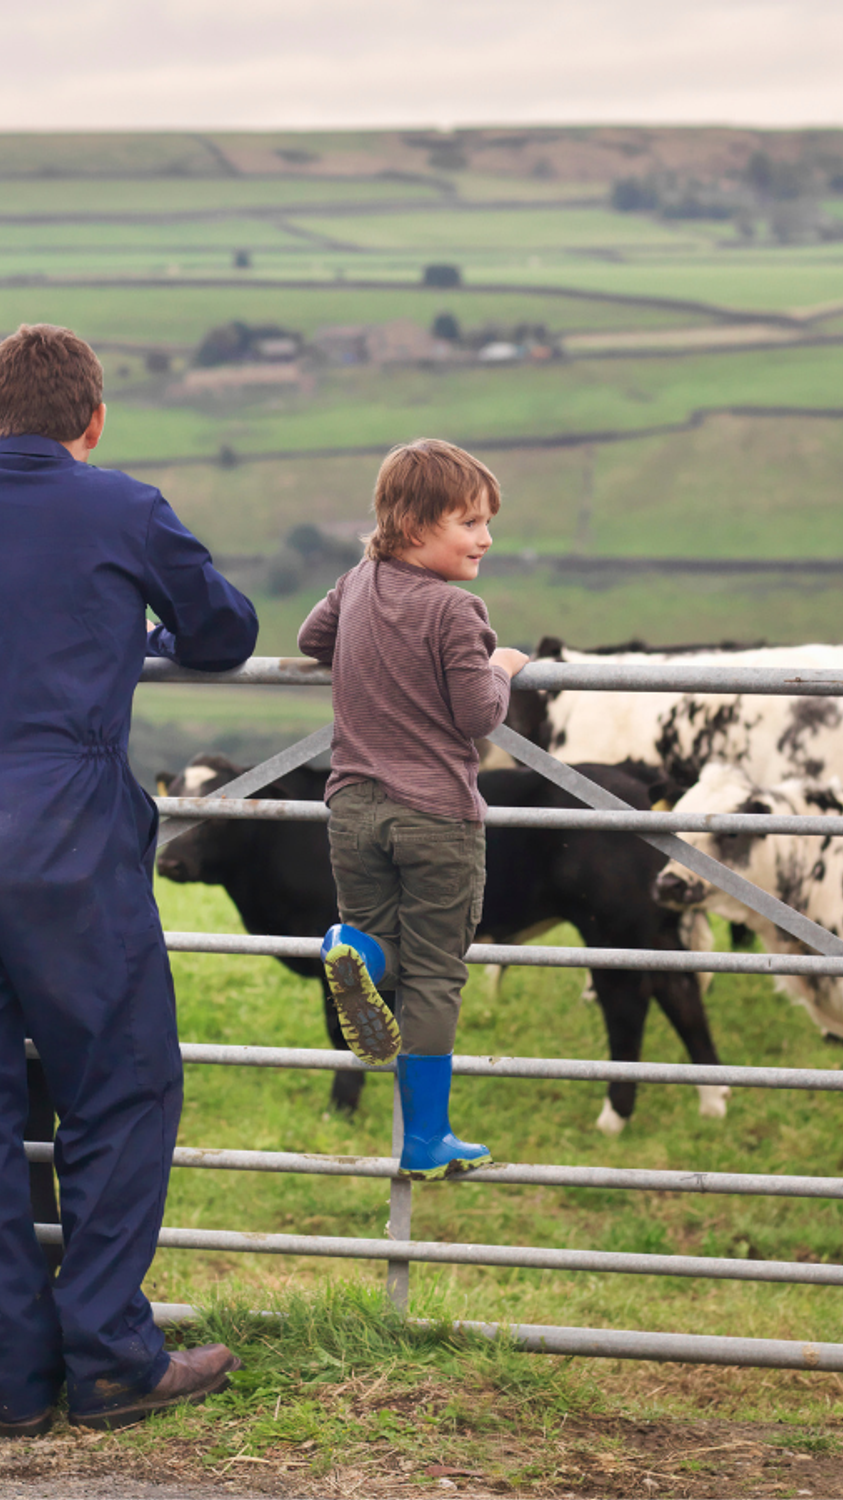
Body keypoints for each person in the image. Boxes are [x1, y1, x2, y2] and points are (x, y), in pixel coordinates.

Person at [0, 324, 258, 1435]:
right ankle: (108, 1353)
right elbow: (223, 631)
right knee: (122, 1084)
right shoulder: (122, 507)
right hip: (62, 833)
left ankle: (10, 1376)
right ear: (92, 424)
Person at [298, 439, 529, 1179]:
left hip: (354, 809)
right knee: (434, 973)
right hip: (435, 817)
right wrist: (502, 666)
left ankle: (355, 950)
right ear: (413, 523)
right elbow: (476, 716)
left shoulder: (357, 581)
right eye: (469, 522)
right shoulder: (457, 610)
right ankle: (425, 1141)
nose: (485, 538)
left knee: (387, 952)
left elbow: (311, 639)